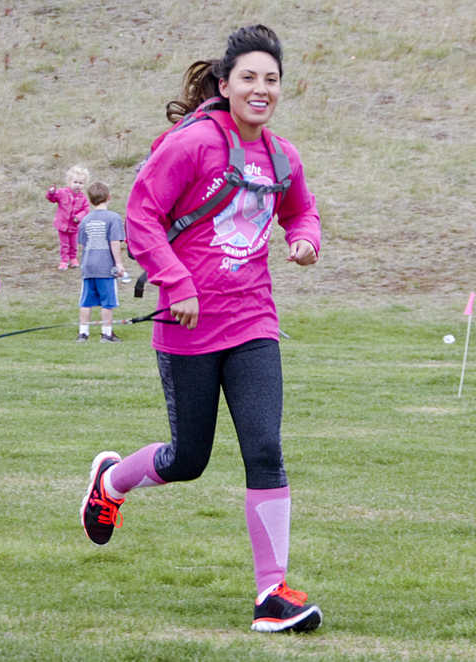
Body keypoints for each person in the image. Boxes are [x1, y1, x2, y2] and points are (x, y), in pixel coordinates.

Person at [79, 25, 324, 633]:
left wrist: (304, 239)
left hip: (253, 322)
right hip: (186, 327)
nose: (261, 89)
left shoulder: (282, 155)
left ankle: (272, 594)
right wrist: (177, 282)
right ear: (225, 84)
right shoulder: (190, 146)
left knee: (265, 449)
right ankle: (111, 481)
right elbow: (141, 217)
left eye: (271, 79)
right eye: (249, 78)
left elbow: (300, 208)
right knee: (189, 458)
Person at [75, 182, 126, 343]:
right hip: (105, 267)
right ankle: (106, 333)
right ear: (109, 197)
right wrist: (119, 264)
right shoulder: (114, 218)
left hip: (88, 266)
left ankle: (83, 333)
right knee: (107, 302)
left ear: (90, 200)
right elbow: (114, 242)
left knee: (86, 301)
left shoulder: (85, 220)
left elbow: (82, 243)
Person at [46, 165, 90, 270]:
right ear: (69, 182)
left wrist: (78, 217)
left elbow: (86, 210)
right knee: (64, 244)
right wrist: (51, 193)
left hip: (74, 226)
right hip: (62, 224)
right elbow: (52, 199)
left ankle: (73, 258)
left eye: (81, 183)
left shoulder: (83, 198)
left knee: (74, 243)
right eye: (75, 182)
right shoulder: (62, 192)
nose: (77, 185)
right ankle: (64, 260)